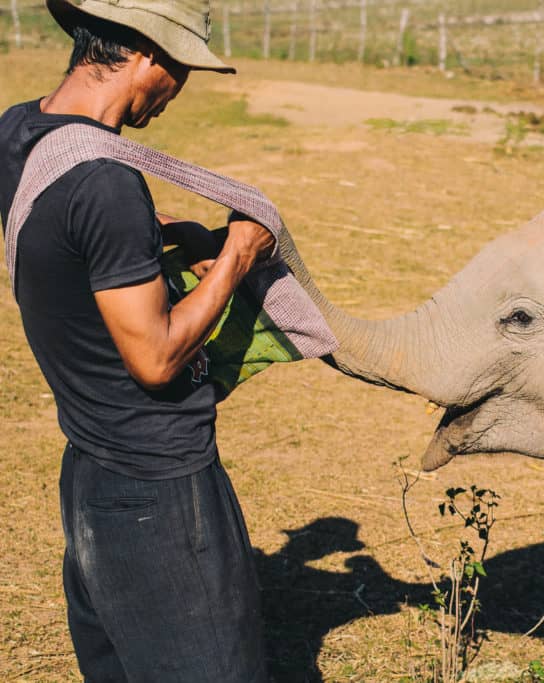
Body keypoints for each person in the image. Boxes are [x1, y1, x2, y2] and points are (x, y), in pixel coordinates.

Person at [0, 1, 275, 680]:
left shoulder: (18, 133)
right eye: (182, 69)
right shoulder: (106, 184)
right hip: (157, 488)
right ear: (151, 56)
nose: (179, 90)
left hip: (87, 463)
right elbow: (154, 358)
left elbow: (61, 243)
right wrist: (239, 253)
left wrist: (156, 237)